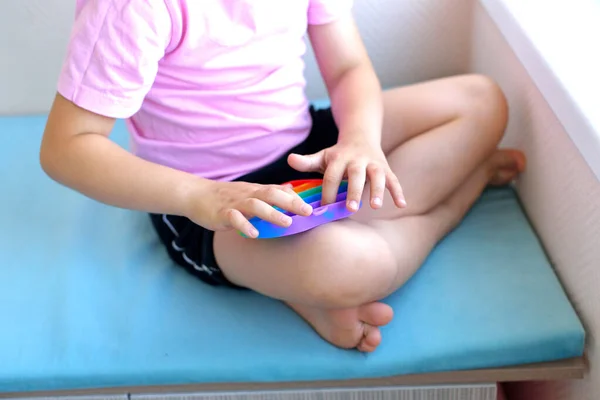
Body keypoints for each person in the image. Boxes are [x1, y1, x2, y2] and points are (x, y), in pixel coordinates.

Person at [40, 0, 526, 353]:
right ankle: (459, 194)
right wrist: (201, 197)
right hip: (212, 204)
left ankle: (308, 272)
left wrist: (360, 139)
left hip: (307, 148)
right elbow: (67, 147)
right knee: (350, 268)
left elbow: (350, 68)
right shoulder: (129, 9)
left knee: (481, 101)